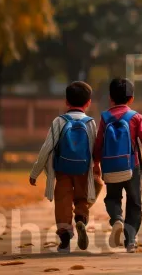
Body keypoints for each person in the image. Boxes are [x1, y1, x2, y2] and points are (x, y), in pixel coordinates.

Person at [93, 78, 142, 253]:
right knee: (134, 203)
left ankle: (117, 219)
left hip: (110, 167)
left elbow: (98, 144)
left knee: (112, 198)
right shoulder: (135, 117)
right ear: (131, 98)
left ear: (111, 98)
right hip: (132, 167)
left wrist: (96, 164)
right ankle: (131, 241)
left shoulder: (105, 118)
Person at [29, 81, 98, 253]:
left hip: (62, 170)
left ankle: (65, 237)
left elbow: (46, 149)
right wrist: (98, 168)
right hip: (83, 170)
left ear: (66, 102)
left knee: (63, 201)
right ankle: (81, 217)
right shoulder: (90, 123)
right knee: (83, 198)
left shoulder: (59, 121)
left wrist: (35, 172)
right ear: (88, 102)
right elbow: (95, 149)